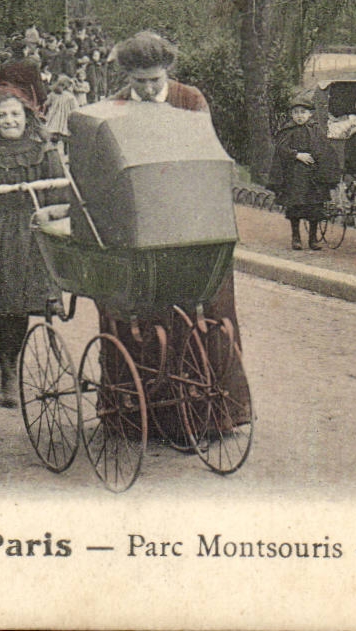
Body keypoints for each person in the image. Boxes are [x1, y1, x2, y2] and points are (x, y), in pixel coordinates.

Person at [106, 31, 250, 427]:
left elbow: (206, 159)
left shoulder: (191, 100)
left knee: (207, 307)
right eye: (140, 82)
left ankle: (210, 414)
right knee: (137, 312)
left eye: (156, 79)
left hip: (190, 219)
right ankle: (141, 417)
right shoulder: (115, 106)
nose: (150, 89)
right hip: (142, 225)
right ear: (128, 78)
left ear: (167, 72)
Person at [0, 92, 68, 406]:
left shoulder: (44, 151)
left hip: (33, 233)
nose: (10, 121)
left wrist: (54, 228)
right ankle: (8, 370)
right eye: (2, 117)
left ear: (27, 117)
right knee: (4, 306)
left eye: (15, 115)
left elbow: (60, 195)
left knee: (26, 303)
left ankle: (17, 359)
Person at [269, 91, 341, 251]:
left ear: (310, 114)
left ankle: (313, 238)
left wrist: (324, 165)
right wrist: (296, 155)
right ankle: (296, 237)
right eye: (296, 112)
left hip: (313, 177)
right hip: (295, 177)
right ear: (291, 115)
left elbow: (324, 149)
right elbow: (281, 149)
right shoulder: (288, 130)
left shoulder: (316, 130)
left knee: (314, 208)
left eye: (303, 112)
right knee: (295, 208)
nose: (299, 116)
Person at [43, 74, 77, 143]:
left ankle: (58, 143)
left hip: (59, 117)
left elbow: (74, 107)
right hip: (58, 117)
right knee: (57, 130)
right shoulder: (54, 95)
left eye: (61, 85)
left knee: (58, 130)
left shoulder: (68, 97)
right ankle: (56, 143)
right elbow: (46, 103)